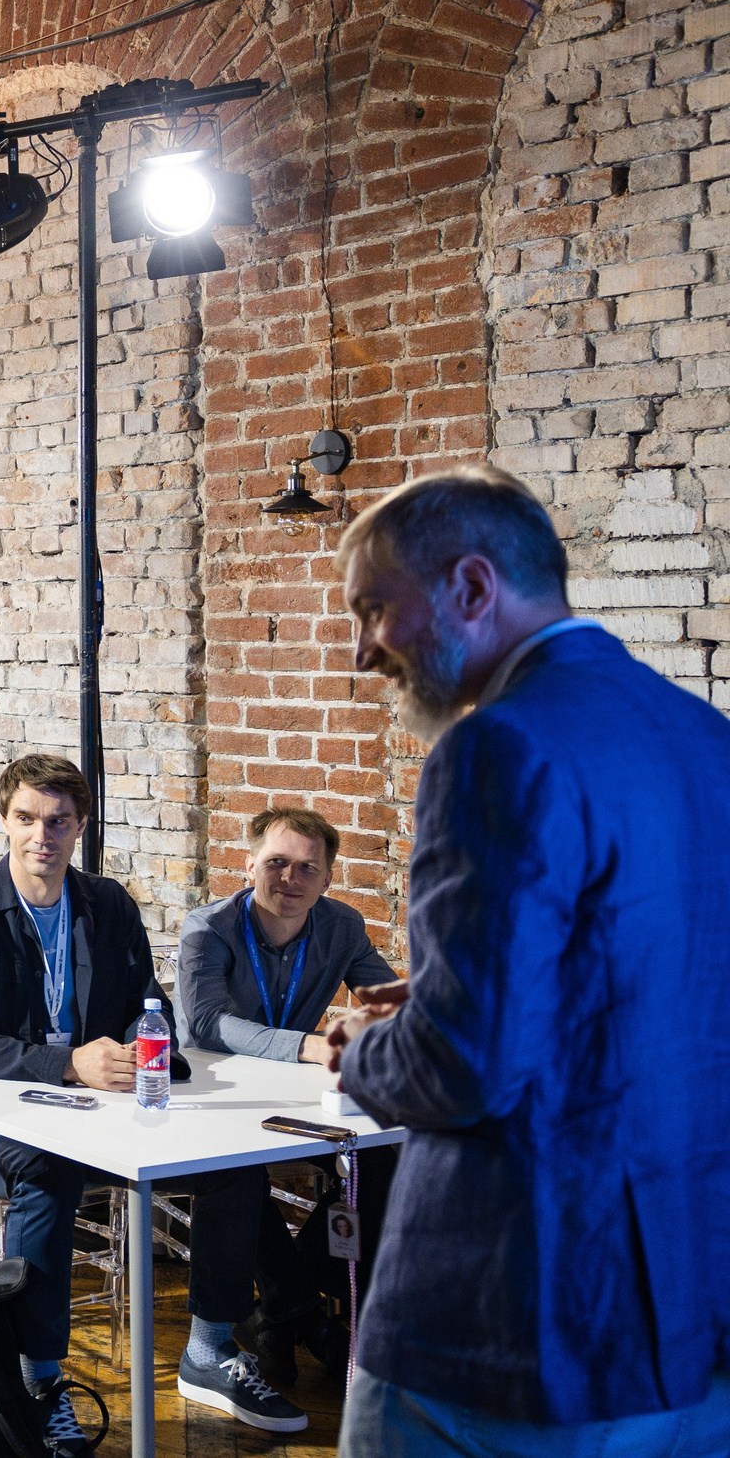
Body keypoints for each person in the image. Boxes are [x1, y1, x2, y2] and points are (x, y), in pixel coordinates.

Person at [323, 466, 730, 1456]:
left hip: (516, 1317)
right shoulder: (703, 736)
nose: (362, 650)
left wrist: (359, 1049)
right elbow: (664, 979)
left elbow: (466, 1065)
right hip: (689, 1300)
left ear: (469, 588)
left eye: (373, 609)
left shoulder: (493, 748)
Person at [0, 754, 304, 1447]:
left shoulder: (108, 905)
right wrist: (66, 1062)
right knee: (48, 1168)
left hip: (106, 1114)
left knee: (233, 1160)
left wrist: (143, 1041)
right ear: (1, 821)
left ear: (80, 826)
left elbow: (146, 1003)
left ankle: (210, 1349)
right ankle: (39, 1378)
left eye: (60, 820)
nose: (43, 834)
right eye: (28, 819)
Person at [176, 806, 399, 1385]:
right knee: (239, 1175)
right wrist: (310, 1046)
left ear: (328, 879)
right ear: (249, 866)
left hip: (293, 1101)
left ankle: (287, 1305)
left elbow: (388, 1000)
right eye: (276, 863)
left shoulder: (341, 926)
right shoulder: (210, 927)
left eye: (307, 869)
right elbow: (204, 1024)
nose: (290, 880)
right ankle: (297, 1308)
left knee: (382, 1162)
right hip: (213, 1099)